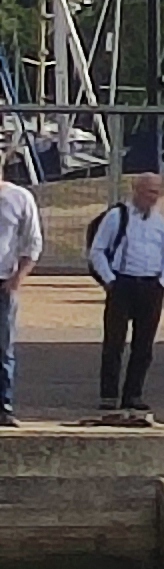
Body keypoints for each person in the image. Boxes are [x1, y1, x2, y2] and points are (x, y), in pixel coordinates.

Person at [89, 170, 164, 422]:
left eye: (157, 192)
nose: (154, 197)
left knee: (144, 345)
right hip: (122, 283)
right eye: (149, 192)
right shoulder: (118, 216)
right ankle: (109, 394)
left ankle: (133, 394)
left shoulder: (159, 221)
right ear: (136, 190)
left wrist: (162, 282)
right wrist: (110, 280)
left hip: (150, 286)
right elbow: (97, 250)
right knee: (114, 342)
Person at [0, 154, 37, 428]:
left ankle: (4, 404)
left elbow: (32, 241)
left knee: (3, 346)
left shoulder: (20, 198)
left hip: (4, 281)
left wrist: (17, 278)